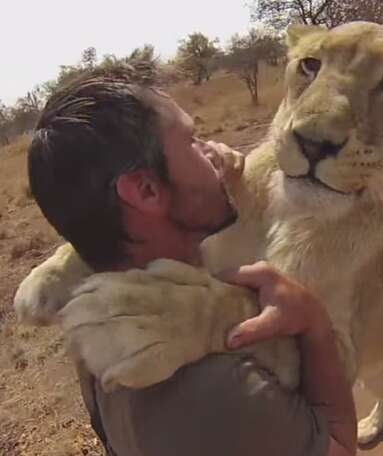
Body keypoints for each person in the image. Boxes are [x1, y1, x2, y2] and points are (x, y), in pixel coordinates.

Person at [25, 65, 357, 456]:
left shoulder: (105, 323)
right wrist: (313, 324)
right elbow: (339, 444)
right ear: (147, 190)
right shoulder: (218, 385)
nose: (213, 151)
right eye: (192, 141)